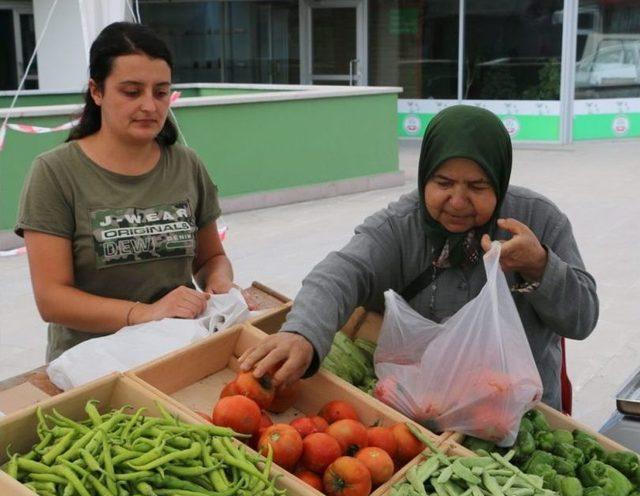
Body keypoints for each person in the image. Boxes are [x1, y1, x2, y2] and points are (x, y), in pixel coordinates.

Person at [239, 105, 599, 411]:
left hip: (522, 416)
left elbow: (583, 319)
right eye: (443, 183)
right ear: (425, 175)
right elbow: (341, 273)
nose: (457, 201)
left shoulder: (539, 220)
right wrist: (303, 333)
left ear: (500, 182)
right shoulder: (401, 226)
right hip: (426, 413)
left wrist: (539, 264)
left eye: (477, 187)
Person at [15, 22, 235, 362]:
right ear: (97, 91)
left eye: (161, 92)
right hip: (91, 364)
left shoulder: (186, 164)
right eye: (132, 92)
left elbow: (211, 259)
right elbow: (52, 299)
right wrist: (144, 313)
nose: (149, 105)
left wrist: (218, 286)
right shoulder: (55, 173)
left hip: (180, 351)